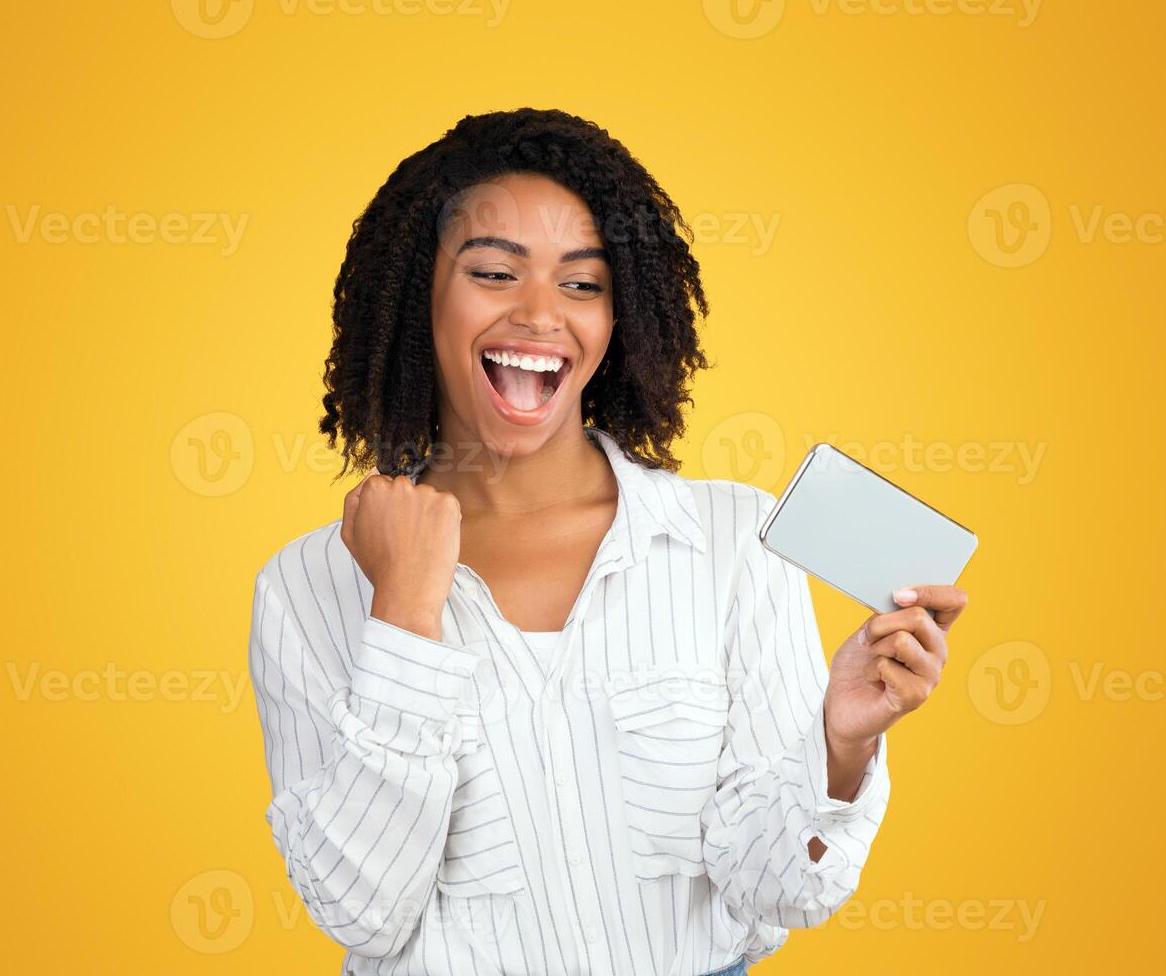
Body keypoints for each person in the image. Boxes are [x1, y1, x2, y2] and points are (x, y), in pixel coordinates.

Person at [248, 107, 968, 976]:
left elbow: (777, 891)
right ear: (417, 302)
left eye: (582, 284)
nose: (541, 314)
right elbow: (360, 912)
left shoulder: (731, 542)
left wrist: (841, 747)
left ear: (619, 319)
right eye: (493, 273)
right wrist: (401, 615)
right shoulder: (307, 587)